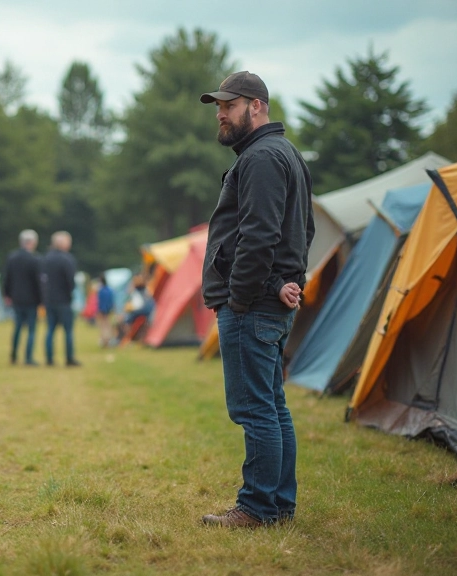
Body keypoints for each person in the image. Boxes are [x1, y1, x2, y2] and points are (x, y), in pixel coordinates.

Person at [198, 71, 313, 528]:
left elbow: (260, 235)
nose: (221, 115)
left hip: (253, 306)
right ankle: (279, 506)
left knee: (255, 409)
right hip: (269, 300)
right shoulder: (283, 154)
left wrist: (242, 297)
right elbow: (304, 231)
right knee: (272, 405)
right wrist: (287, 279)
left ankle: (258, 507)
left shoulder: (263, 157)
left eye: (230, 105)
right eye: (219, 107)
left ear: (257, 106)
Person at [3, 229, 42, 365]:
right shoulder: (35, 259)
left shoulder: (12, 257)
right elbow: (38, 282)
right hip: (31, 299)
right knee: (31, 329)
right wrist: (41, 299)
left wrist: (7, 294)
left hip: (16, 298)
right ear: (32, 242)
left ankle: (13, 355)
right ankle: (28, 357)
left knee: (17, 327)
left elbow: (7, 278)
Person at [41, 231, 80, 367]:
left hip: (49, 299)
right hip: (63, 300)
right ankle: (69, 358)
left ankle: (49, 359)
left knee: (50, 330)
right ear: (63, 243)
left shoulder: (46, 258)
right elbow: (71, 281)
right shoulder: (67, 259)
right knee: (68, 331)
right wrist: (70, 292)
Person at [96, 275, 115, 347]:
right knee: (108, 325)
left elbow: (100, 302)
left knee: (103, 325)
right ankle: (109, 340)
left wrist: (99, 311)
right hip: (108, 309)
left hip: (102, 310)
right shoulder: (110, 290)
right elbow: (111, 301)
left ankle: (104, 340)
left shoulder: (101, 291)